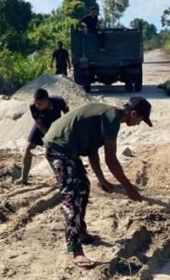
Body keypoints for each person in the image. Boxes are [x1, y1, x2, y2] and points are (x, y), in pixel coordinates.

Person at [43, 98, 152, 269]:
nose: (139, 124)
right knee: (72, 194)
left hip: (70, 150)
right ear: (133, 114)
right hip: (58, 148)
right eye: (141, 120)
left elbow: (92, 150)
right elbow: (111, 159)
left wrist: (102, 180)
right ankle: (75, 250)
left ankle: (81, 233)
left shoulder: (109, 116)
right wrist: (130, 188)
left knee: (84, 187)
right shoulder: (112, 117)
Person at [19, 88, 69, 184]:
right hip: (41, 126)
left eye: (40, 104)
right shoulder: (33, 106)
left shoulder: (59, 101)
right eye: (36, 103)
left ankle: (59, 177)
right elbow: (39, 123)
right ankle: (23, 178)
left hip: (56, 126)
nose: (37, 106)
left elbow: (68, 115)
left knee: (49, 153)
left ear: (47, 101)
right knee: (28, 149)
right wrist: (47, 136)